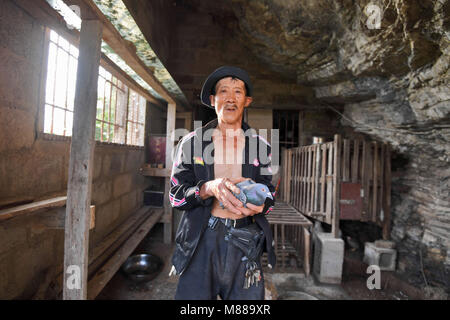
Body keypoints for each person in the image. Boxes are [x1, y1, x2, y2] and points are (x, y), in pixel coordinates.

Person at [169, 66, 276, 300]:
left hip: (246, 240)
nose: (230, 98)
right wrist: (208, 188)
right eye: (223, 91)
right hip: (202, 239)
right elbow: (175, 195)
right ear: (212, 99)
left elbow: (270, 195)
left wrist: (261, 203)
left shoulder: (262, 147)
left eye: (238, 92)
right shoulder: (191, 144)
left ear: (247, 100)